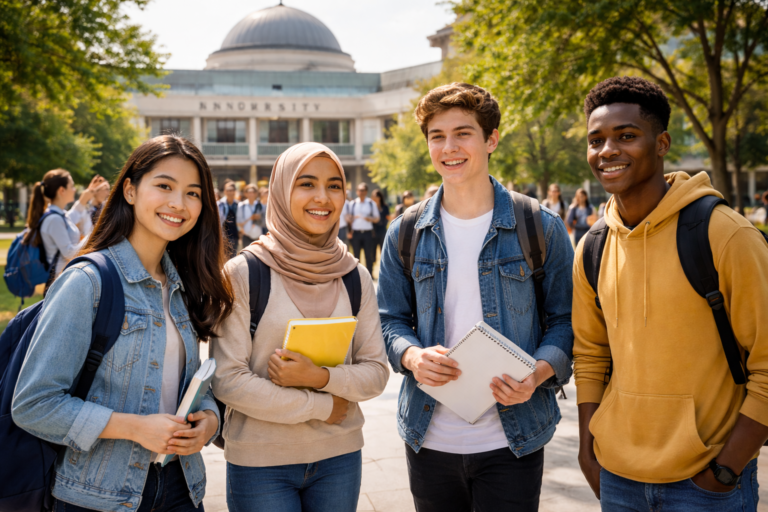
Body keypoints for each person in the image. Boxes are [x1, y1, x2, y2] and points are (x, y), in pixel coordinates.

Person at [377, 82, 574, 512]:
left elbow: (565, 320)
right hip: (428, 438)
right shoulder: (405, 232)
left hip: (514, 440)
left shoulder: (540, 226)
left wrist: (537, 375)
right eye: (437, 136)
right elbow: (389, 319)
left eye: (463, 133)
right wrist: (412, 357)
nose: (449, 147)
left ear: (491, 140)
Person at [574, 76, 768, 512]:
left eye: (626, 136)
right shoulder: (593, 246)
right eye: (596, 140)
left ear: (661, 144)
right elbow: (590, 354)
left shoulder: (726, 235)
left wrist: (726, 469)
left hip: (706, 484)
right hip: (618, 478)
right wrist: (588, 450)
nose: (607, 151)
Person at [12, 135, 235, 512]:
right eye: (164, 186)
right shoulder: (87, 282)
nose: (178, 204)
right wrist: (135, 427)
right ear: (130, 191)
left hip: (182, 487)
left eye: (193, 193)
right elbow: (34, 404)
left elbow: (189, 384)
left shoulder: (182, 284)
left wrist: (210, 421)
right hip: (98, 496)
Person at [211, 142, 389, 512]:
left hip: (339, 457)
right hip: (261, 462)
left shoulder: (354, 276)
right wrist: (322, 406)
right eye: (306, 184)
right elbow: (228, 379)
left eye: (334, 185)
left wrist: (320, 377)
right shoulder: (244, 273)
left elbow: (375, 372)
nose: (322, 197)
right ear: (280, 189)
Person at [24, 170, 107, 280]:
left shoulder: (59, 215)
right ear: (62, 190)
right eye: (72, 186)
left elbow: (74, 215)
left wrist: (88, 193)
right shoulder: (54, 219)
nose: (74, 189)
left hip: (64, 277)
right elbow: (69, 253)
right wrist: (93, 233)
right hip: (59, 281)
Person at [347, 182, 379, 275]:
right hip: (356, 233)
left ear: (366, 191)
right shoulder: (352, 203)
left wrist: (370, 218)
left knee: (368, 255)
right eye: (360, 190)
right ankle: (357, 275)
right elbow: (348, 218)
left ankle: (370, 275)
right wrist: (352, 218)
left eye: (363, 190)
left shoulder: (371, 203)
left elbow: (377, 218)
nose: (361, 192)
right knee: (356, 256)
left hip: (367, 232)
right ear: (357, 191)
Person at [218, 180, 240, 258]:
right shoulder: (220, 204)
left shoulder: (238, 204)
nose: (230, 192)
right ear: (224, 191)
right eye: (228, 190)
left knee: (234, 255)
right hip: (224, 234)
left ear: (234, 191)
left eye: (231, 190)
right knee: (223, 256)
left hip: (235, 234)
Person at [370, 189, 390, 258]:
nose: (375, 198)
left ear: (380, 197)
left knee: (384, 250)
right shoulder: (370, 207)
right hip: (373, 231)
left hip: (383, 231)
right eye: (373, 196)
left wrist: (384, 225)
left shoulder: (385, 207)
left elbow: (387, 218)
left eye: (376, 196)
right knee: (372, 252)